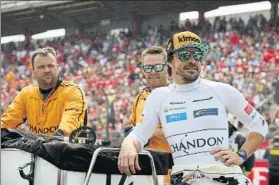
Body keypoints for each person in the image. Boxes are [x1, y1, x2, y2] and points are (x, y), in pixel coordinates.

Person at [118, 31, 268, 185]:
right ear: (170, 61)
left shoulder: (222, 90)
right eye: (184, 55)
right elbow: (139, 135)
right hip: (185, 177)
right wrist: (128, 145)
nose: (192, 60)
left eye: (197, 55)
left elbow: (260, 124)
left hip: (226, 176)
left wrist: (242, 155)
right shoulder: (159, 97)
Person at [1, 47, 88, 136]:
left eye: (50, 66)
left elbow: (71, 122)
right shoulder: (26, 94)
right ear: (33, 72)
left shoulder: (72, 91)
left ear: (57, 68)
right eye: (41, 67)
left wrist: (59, 136)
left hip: (65, 148)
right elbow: (8, 120)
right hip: (37, 149)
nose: (47, 70)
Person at [129, 46, 172, 184]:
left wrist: (146, 133)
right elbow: (134, 129)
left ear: (167, 68)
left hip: (171, 172)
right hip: (146, 173)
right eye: (148, 68)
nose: (153, 72)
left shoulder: (177, 95)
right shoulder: (139, 98)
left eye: (158, 67)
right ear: (142, 70)